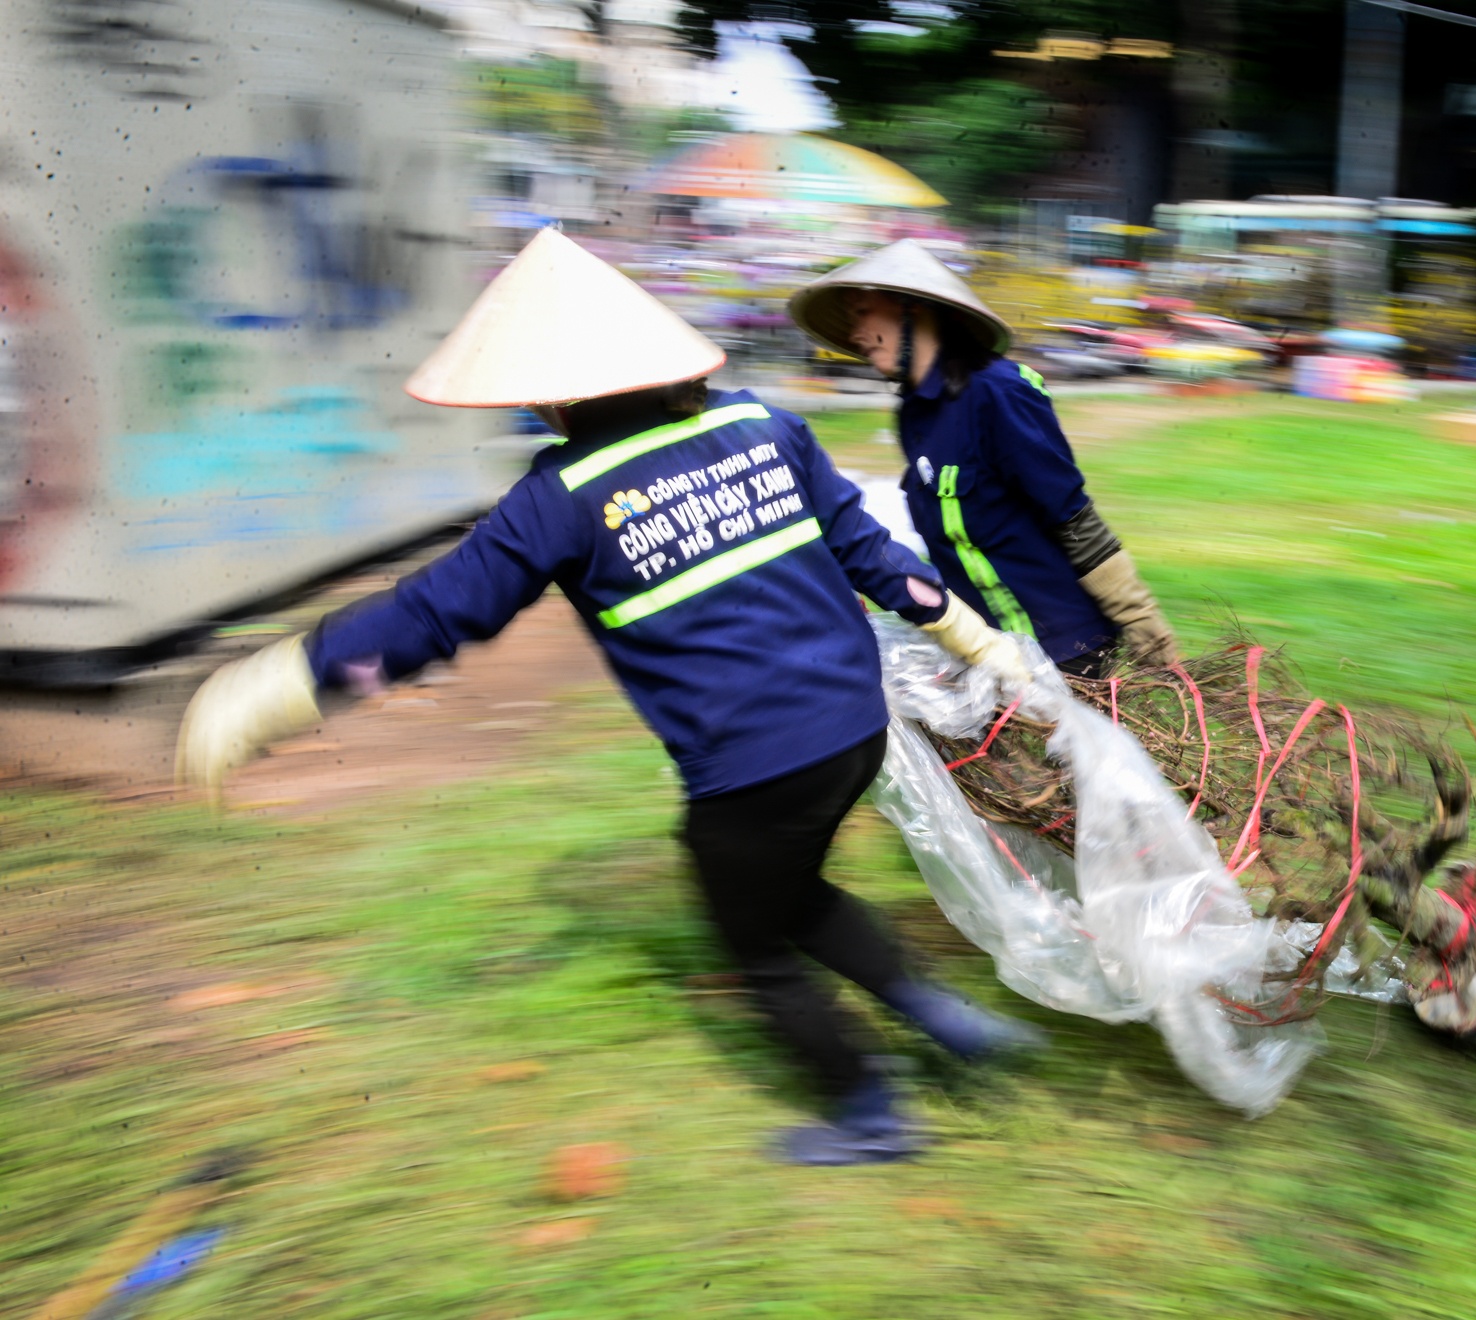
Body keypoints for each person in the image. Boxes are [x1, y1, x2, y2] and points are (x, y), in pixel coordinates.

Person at [176, 228, 1041, 1167]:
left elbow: (429, 619)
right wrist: (982, 642)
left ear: (553, 393)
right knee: (792, 892)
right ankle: (945, 1020)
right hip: (852, 731)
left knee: (754, 937)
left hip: (751, 770)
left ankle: (872, 1113)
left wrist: (273, 692)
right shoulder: (763, 425)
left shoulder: (559, 495)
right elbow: (878, 561)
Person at [788, 240, 1177, 678]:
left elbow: (1072, 517)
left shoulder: (1000, 392)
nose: (853, 333)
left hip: (1067, 654)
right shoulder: (915, 413)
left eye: (862, 313)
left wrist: (1141, 621)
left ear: (914, 309)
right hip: (996, 660)